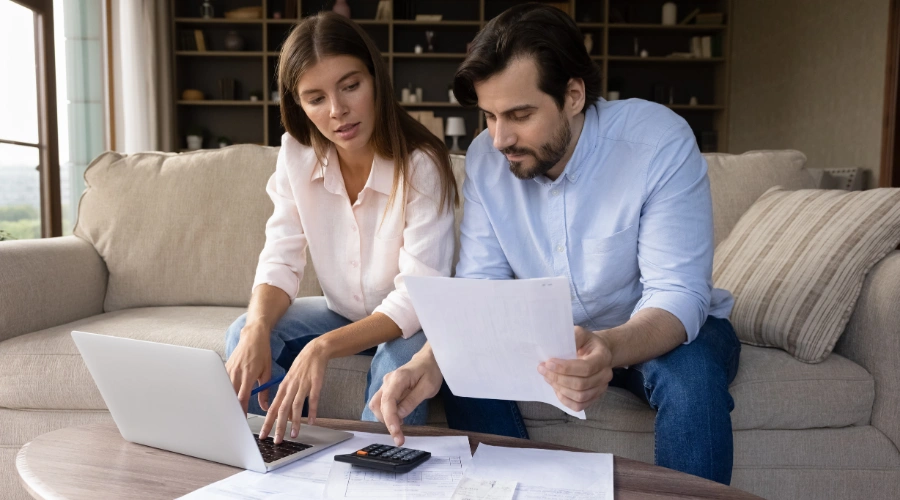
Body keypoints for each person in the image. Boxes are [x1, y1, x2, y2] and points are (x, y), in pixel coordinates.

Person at [369, 3, 740, 485]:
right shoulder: (486, 158)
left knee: (693, 382)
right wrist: (427, 361)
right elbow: (482, 291)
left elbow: (678, 295)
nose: (500, 138)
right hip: (550, 336)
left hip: (658, 329)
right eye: (489, 116)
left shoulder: (658, 142)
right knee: (464, 376)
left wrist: (606, 345)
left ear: (573, 95)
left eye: (520, 115)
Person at [224, 12, 457, 445]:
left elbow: (417, 297)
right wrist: (257, 326)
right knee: (243, 331)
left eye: (350, 86)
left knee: (396, 361)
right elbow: (280, 258)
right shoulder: (296, 154)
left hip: (410, 324)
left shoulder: (421, 163)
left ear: (375, 79)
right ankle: (280, 447)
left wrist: (323, 346)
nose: (337, 111)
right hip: (340, 311)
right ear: (298, 105)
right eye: (315, 98)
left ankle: (374, 469)